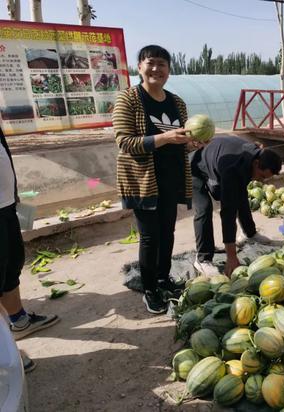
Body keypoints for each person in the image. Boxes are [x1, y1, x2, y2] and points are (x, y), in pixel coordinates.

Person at [113, 45, 203, 314]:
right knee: (150, 236)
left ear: (169, 70)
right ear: (139, 67)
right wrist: (166, 137)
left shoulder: (177, 102)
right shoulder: (128, 99)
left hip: (172, 178)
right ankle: (150, 287)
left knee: (168, 233)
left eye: (162, 64)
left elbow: (181, 143)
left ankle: (164, 278)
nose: (156, 69)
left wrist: (195, 143)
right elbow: (124, 141)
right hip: (143, 181)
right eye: (150, 63)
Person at [0, 126, 59, 372]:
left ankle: (19, 320)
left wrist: (12, 195)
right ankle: (5, 355)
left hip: (5, 206)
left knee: (10, 268)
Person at [191, 136, 282, 277]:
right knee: (204, 208)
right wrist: (231, 257)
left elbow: (239, 195)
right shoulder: (232, 169)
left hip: (216, 159)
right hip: (194, 168)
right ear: (256, 163)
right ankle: (202, 259)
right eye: (262, 176)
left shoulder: (254, 155)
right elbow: (228, 214)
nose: (261, 181)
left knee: (241, 194)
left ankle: (249, 233)